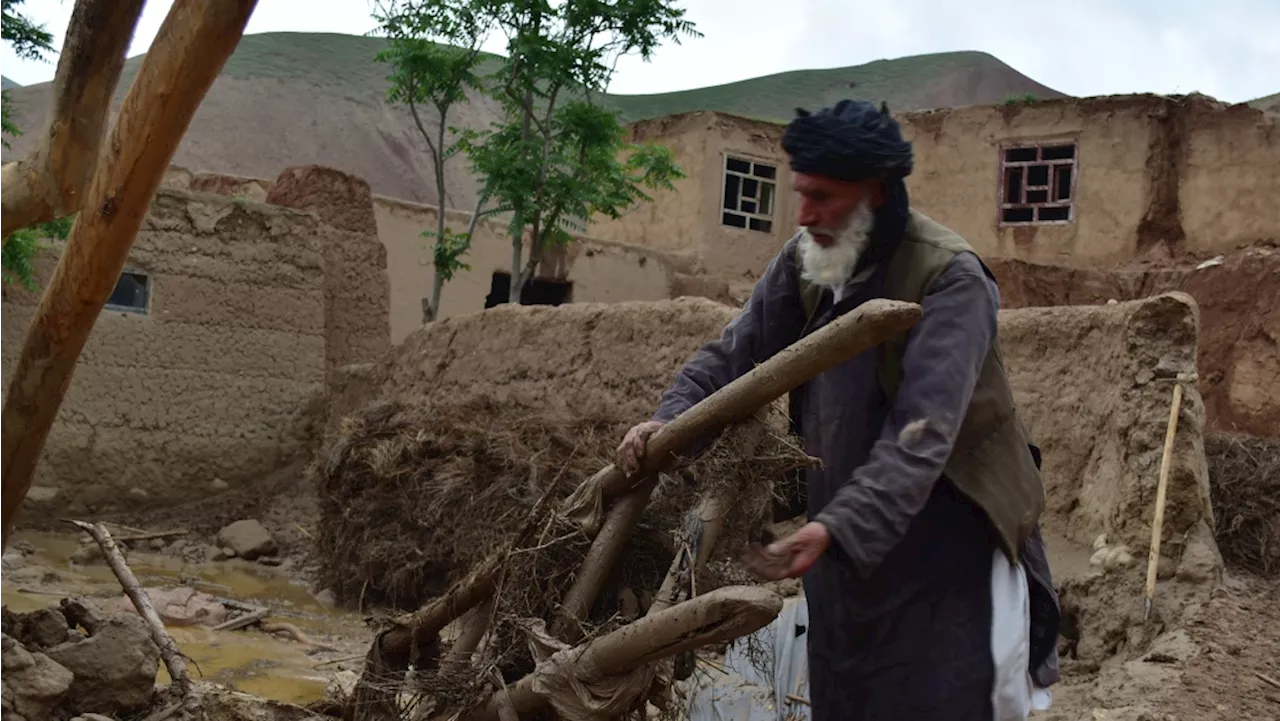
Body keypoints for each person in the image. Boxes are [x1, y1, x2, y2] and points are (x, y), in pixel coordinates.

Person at [616, 99, 1061, 721]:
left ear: (875, 192)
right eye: (801, 194)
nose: (804, 214)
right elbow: (737, 349)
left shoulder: (949, 278)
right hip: (842, 550)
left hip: (949, 550)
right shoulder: (811, 258)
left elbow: (924, 433)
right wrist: (672, 418)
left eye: (822, 196)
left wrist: (839, 525)